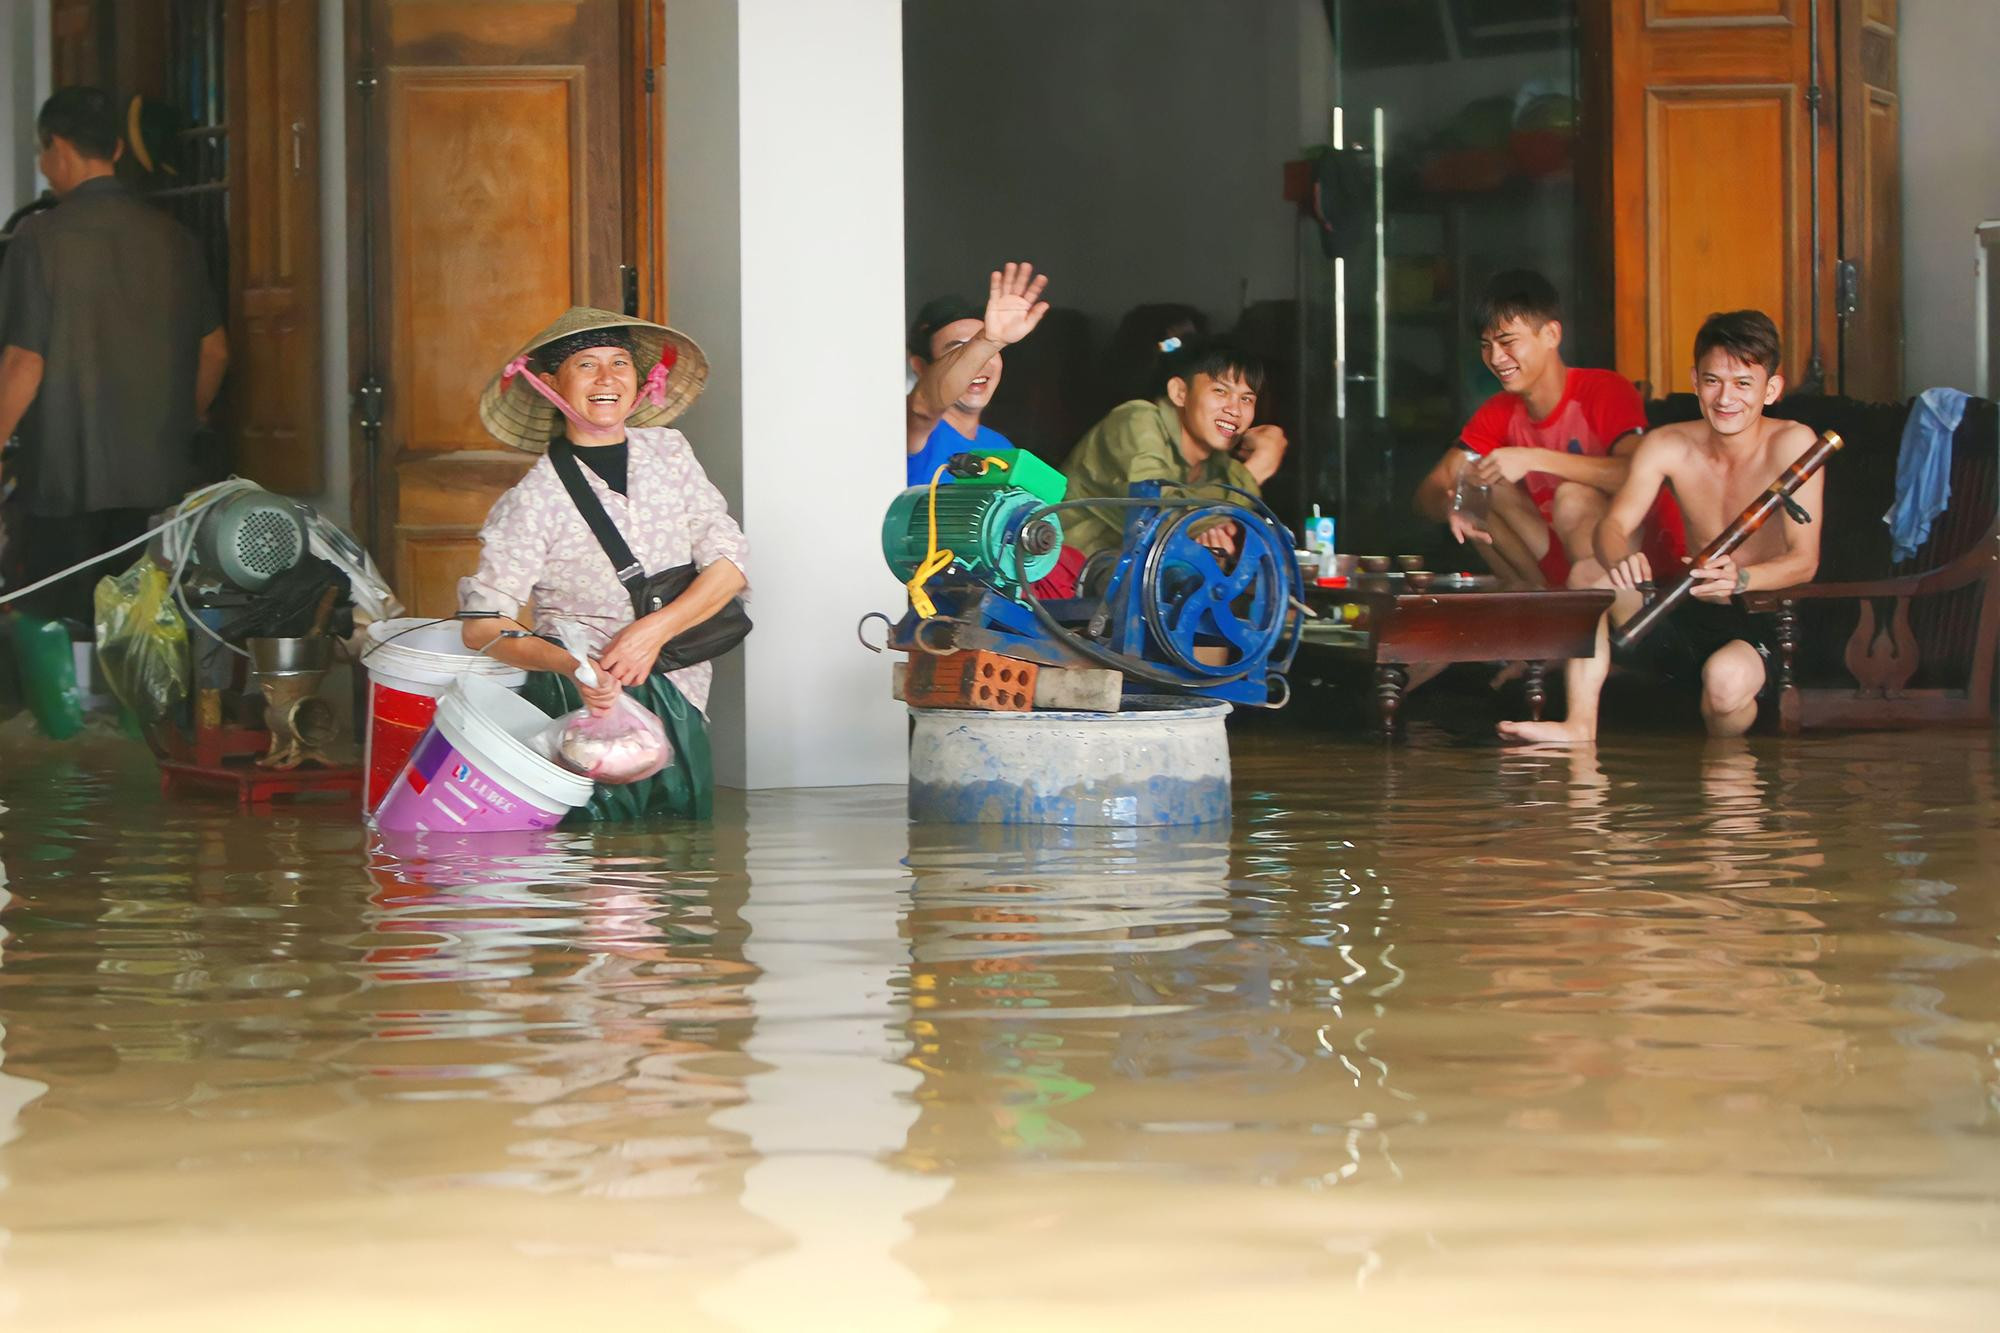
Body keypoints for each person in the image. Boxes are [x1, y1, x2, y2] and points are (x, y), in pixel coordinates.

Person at [460, 307, 749, 821]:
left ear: (640, 381)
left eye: (619, 362)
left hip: (682, 689)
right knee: (597, 864)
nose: (607, 379)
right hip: (586, 704)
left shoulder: (670, 454)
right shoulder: (535, 499)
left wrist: (652, 632)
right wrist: (573, 667)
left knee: (682, 860)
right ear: (550, 383)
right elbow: (483, 628)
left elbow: (729, 565)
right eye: (586, 365)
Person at [1500, 310, 1823, 744]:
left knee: (1725, 683)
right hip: (1682, 609)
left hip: (1758, 617)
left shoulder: (1794, 444)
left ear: (1772, 389)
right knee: (1586, 577)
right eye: (1713, 381)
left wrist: (1742, 578)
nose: (1726, 398)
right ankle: (1579, 725)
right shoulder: (1668, 444)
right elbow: (1612, 526)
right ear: (1695, 381)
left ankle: (1726, 774)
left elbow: (1804, 561)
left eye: (1743, 383)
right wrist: (1620, 557)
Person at [0, 87, 229, 626]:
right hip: (159, 488)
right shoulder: (175, 239)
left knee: (59, 634)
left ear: (55, 146)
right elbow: (215, 352)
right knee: (143, 637)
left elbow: (23, 364)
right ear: (120, 151)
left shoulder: (41, 238)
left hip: (63, 484)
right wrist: (179, 419)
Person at [1413, 270, 1679, 591]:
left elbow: (1640, 475)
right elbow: (1429, 492)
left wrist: (1534, 459)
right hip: (1555, 558)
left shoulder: (1604, 390)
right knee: (1480, 483)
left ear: (1551, 335)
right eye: (1486, 345)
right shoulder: (1498, 411)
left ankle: (1594, 603)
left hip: (1639, 567)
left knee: (1572, 497)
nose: (1496, 358)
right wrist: (1456, 506)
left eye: (1508, 342)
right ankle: (1542, 601)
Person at [1058, 336, 1288, 561]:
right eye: (1221, 391)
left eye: (1247, 399)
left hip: (1125, 588)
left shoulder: (1219, 465)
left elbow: (1189, 537)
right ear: (1180, 392)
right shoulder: (1137, 421)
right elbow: (1159, 519)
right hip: (1060, 582)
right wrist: (1253, 473)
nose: (1235, 410)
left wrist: (1211, 548)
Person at [904, 262, 1049, 487]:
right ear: (920, 366)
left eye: (992, 352)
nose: (980, 363)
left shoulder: (1000, 446)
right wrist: (988, 341)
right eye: (959, 350)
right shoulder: (915, 432)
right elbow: (923, 407)